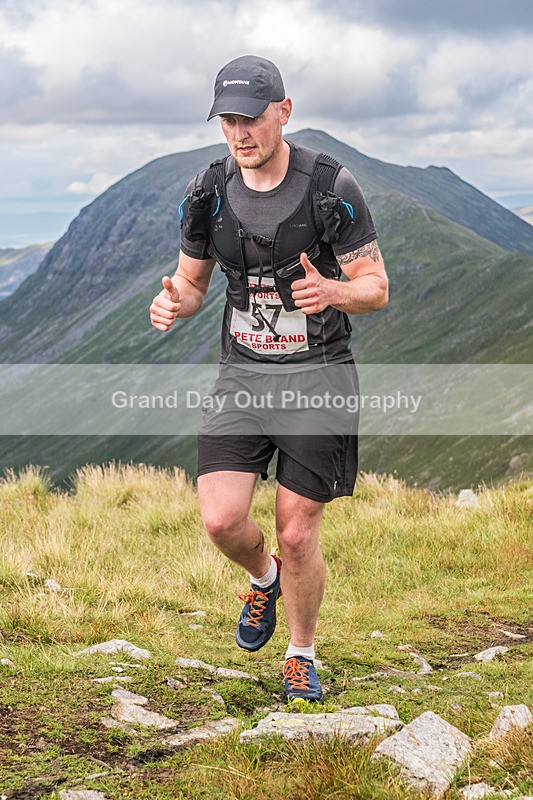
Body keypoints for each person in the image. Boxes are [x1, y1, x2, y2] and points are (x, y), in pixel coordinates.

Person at [150, 55, 388, 702]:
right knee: (223, 521)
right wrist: (174, 301)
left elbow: (376, 289)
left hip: (319, 379)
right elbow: (194, 284)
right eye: (227, 120)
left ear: (282, 111)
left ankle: (300, 654)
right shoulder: (207, 191)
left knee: (295, 528)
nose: (239, 132)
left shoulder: (328, 188)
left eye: (250, 118)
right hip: (242, 379)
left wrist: (334, 291)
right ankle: (263, 580)